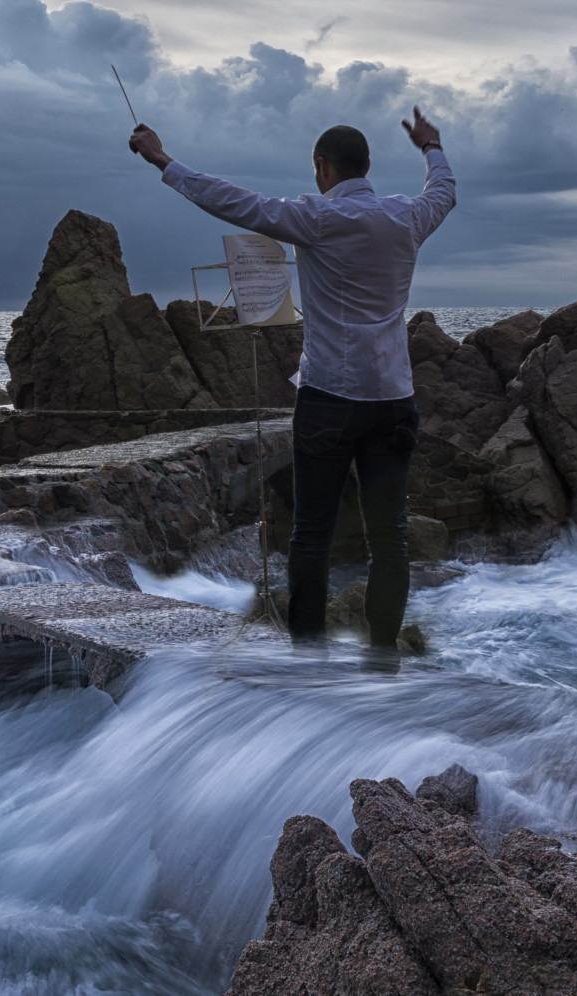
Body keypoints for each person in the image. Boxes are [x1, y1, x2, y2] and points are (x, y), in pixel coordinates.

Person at [130, 109, 455, 650]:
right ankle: (382, 659)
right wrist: (432, 146)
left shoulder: (316, 219)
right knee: (390, 538)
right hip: (394, 399)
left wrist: (163, 159)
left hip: (329, 399)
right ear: (367, 167)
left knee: (312, 535)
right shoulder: (408, 217)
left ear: (322, 168)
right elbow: (443, 189)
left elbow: (233, 200)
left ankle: (308, 662)